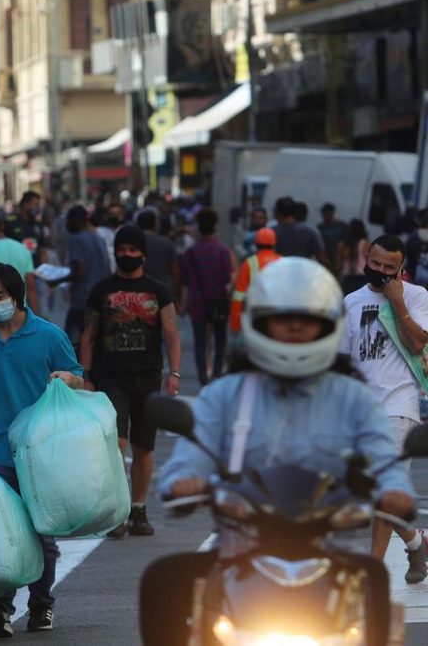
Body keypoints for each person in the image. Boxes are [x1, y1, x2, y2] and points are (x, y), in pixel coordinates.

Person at [147, 258, 416, 646]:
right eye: (282, 319)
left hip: (325, 551)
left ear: (326, 326)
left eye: (306, 321)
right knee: (162, 579)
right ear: (260, 323)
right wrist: (183, 483)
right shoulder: (226, 395)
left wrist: (393, 492)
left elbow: (383, 458)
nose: (294, 329)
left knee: (372, 580)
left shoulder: (354, 399)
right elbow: (192, 454)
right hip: (238, 551)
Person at [0, 262, 84, 637]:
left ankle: (41, 605)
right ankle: (0, 606)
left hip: (42, 452)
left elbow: (79, 378)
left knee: (42, 534)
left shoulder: (48, 336)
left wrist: (69, 378)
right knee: (2, 533)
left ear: (17, 295)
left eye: (0, 296)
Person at [79, 225, 181, 538]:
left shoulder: (159, 291)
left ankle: (138, 509)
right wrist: (85, 376)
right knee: (116, 445)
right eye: (122, 250)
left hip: (148, 378)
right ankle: (119, 510)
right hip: (111, 378)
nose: (127, 256)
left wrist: (174, 374)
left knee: (143, 447)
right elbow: (89, 336)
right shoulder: (101, 291)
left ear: (143, 255)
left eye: (132, 251)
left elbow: (172, 334)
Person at [338, 234, 428, 579]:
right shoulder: (351, 302)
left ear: (401, 270)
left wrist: (397, 302)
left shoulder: (417, 296)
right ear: (366, 257)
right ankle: (415, 541)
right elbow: (345, 362)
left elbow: (419, 341)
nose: (378, 271)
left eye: (388, 268)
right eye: (374, 263)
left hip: (399, 406)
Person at [180, 208, 234, 385]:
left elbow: (185, 281)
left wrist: (182, 304)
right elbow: (228, 278)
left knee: (200, 344)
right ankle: (217, 374)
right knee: (220, 341)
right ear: (215, 227)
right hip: (219, 301)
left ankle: (203, 378)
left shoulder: (190, 253)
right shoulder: (223, 251)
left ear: (198, 228)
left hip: (198, 303)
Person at [64, 205, 112, 344]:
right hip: (100, 299)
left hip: (82, 299)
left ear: (76, 221)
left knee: (70, 342)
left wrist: (58, 280)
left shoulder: (77, 239)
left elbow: (79, 271)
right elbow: (108, 270)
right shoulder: (100, 239)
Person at [229, 228, 281, 335]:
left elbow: (239, 296)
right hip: (278, 317)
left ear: (256, 244)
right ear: (275, 243)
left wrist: (235, 324)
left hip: (255, 316)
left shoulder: (249, 263)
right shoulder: (283, 261)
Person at [273, 196, 326, 263]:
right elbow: (321, 258)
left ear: (278, 213)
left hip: (281, 271)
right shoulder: (310, 231)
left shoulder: (272, 232)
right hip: (304, 271)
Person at [136, 209, 178, 295]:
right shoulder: (166, 242)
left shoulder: (132, 243)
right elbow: (175, 269)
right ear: (156, 224)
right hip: (163, 290)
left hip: (139, 292)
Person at [6, 191, 47, 267]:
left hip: (35, 266)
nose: (37, 208)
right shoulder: (10, 222)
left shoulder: (38, 224)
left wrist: (44, 266)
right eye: (35, 204)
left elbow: (42, 247)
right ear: (25, 204)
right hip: (16, 266)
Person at [339, 219, 371, 295]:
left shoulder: (344, 244)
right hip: (362, 276)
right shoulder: (366, 243)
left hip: (348, 277)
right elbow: (369, 261)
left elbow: (341, 261)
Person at [318, 202, 347, 274]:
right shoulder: (320, 228)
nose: (324, 216)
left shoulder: (342, 226)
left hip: (339, 261)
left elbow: (345, 244)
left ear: (331, 213)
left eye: (326, 213)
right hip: (325, 261)